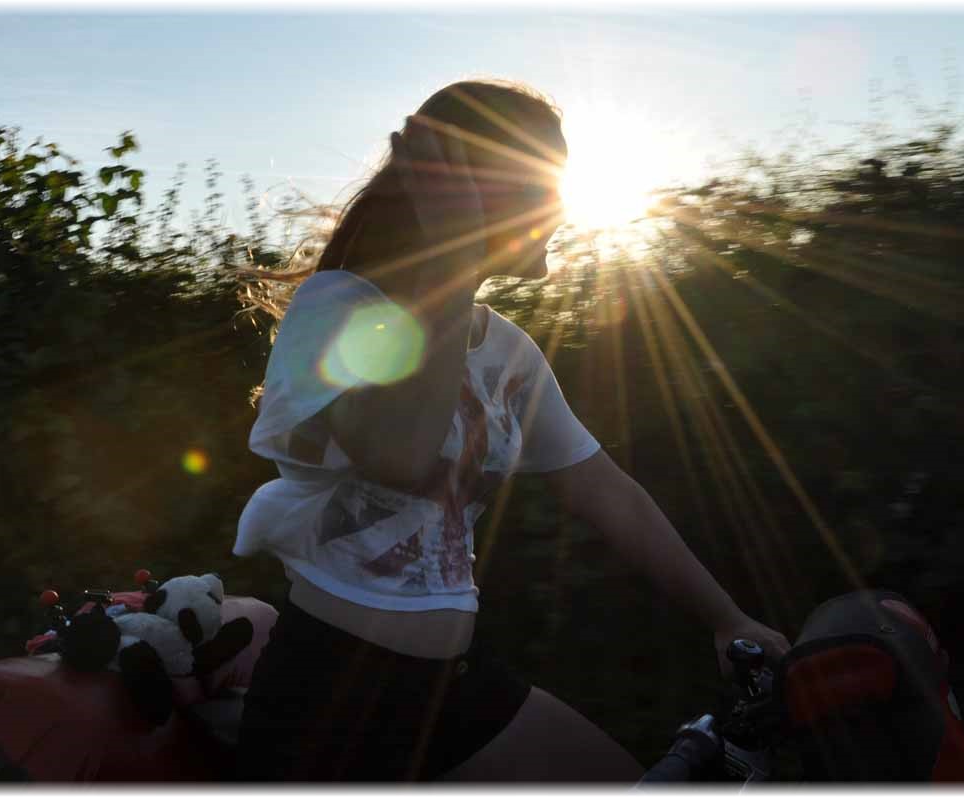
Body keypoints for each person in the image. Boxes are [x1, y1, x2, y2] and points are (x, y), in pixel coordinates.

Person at [232, 78, 790, 783]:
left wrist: (726, 616)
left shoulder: (509, 354)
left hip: (453, 683)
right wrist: (454, 253)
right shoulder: (340, 306)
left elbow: (605, 490)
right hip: (331, 695)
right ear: (472, 195)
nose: (561, 203)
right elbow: (399, 452)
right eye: (543, 183)